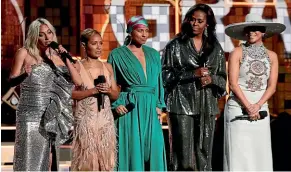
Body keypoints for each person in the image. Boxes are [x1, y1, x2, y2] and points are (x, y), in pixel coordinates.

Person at [10, 18, 82, 171]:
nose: (47, 37)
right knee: (28, 160)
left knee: (46, 160)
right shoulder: (24, 53)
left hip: (49, 115)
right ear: (35, 36)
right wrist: (24, 75)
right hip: (29, 115)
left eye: (49, 32)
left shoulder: (56, 57)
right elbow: (11, 81)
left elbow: (78, 81)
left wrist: (66, 58)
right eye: (41, 35)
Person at [162, 4, 227, 171]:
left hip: (207, 106)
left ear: (208, 24)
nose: (195, 24)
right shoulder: (175, 45)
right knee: (183, 154)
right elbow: (164, 76)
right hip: (181, 105)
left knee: (204, 153)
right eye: (192, 19)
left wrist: (211, 79)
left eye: (200, 21)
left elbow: (222, 79)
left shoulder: (215, 48)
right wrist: (192, 74)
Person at [223, 13, 285, 171]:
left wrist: (257, 105)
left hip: (261, 109)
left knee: (259, 153)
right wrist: (248, 106)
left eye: (255, 28)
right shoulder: (237, 52)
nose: (251, 32)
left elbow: (272, 86)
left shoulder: (272, 56)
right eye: (249, 29)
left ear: (263, 32)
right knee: (238, 154)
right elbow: (233, 84)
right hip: (238, 107)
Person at [107, 16, 167, 171]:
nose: (144, 34)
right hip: (130, 106)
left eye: (147, 31)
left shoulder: (153, 54)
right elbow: (111, 84)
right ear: (130, 31)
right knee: (133, 151)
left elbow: (159, 82)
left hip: (151, 106)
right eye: (140, 30)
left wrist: (159, 104)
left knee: (154, 148)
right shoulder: (117, 54)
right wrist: (116, 104)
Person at [71, 28, 119, 171]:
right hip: (86, 122)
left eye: (100, 43)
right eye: (94, 43)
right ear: (84, 45)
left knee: (105, 163)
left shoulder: (107, 67)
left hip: (105, 122)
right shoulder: (76, 67)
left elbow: (116, 94)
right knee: (86, 162)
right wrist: (92, 91)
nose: (99, 47)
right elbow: (69, 93)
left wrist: (109, 91)